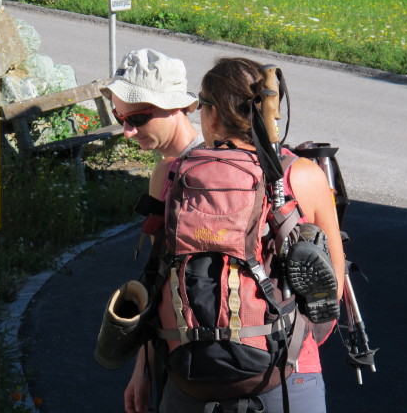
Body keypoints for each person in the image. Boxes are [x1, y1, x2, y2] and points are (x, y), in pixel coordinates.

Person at [123, 57, 346, 413]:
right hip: (284, 376)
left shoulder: (170, 174)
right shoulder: (302, 176)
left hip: (189, 375)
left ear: (211, 115)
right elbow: (331, 287)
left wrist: (142, 370)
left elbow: (157, 281)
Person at [101, 48, 204, 199]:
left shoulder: (200, 174)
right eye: (119, 117)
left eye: (137, 118)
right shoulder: (172, 167)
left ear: (174, 106)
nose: (128, 133)